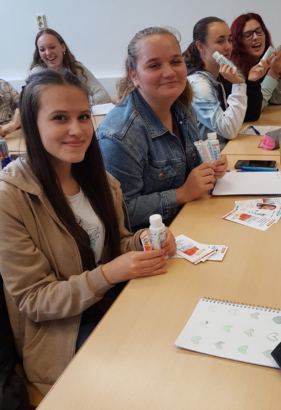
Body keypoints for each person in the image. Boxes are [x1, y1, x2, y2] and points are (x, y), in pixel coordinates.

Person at [0, 69, 177, 395]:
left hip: (112, 304)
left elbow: (116, 244)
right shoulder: (10, 198)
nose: (77, 129)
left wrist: (144, 241)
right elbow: (34, 300)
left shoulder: (99, 181)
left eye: (83, 116)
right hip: (61, 336)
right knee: (144, 383)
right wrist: (108, 275)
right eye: (59, 118)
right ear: (32, 124)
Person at [97, 27, 228, 233]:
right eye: (154, 65)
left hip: (191, 218)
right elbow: (121, 211)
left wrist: (210, 167)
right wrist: (182, 193)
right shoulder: (119, 137)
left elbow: (189, 168)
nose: (169, 73)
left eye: (175, 61)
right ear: (134, 75)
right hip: (151, 242)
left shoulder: (182, 108)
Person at [183, 17, 269, 149]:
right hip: (211, 158)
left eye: (229, 40)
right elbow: (228, 130)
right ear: (200, 46)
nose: (228, 47)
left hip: (225, 150)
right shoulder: (199, 84)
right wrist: (239, 85)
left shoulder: (218, 75)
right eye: (220, 41)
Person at [29, 29, 111, 105]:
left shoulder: (77, 68)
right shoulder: (36, 74)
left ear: (63, 47)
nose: (48, 53)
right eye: (42, 50)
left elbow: (104, 96)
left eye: (52, 47)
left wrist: (79, 105)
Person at [230, 13, 281, 110]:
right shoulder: (234, 69)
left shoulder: (265, 59)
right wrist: (273, 73)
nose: (255, 37)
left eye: (259, 31)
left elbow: (278, 100)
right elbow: (253, 108)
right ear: (238, 41)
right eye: (248, 35)